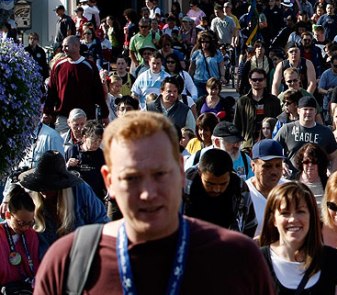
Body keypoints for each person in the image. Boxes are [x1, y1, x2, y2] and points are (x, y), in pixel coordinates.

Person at [33, 111, 273, 293]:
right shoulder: (67, 262)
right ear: (109, 181)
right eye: (132, 178)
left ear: (181, 172)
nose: (147, 192)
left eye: (160, 174)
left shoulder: (239, 258)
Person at [258, 181, 337, 294]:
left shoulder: (336, 262)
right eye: (285, 213)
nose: (293, 219)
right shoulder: (257, 262)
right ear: (273, 219)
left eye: (300, 212)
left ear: (312, 217)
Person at [16, 151, 108, 257]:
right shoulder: (31, 194)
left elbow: (102, 222)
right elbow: (15, 185)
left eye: (49, 186)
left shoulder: (80, 190)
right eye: (41, 186)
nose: (43, 191)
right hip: (48, 262)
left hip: (81, 256)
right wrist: (7, 199)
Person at [183, 147, 257, 237]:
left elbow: (250, 225)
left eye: (223, 184)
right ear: (200, 173)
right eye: (210, 183)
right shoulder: (184, 185)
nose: (216, 189)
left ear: (230, 175)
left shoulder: (239, 188)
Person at [43, 35, 107, 132]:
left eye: (66, 46)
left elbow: (98, 92)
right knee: (62, 145)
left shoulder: (90, 66)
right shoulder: (58, 65)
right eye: (63, 46)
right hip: (64, 117)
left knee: (85, 145)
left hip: (86, 117)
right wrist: (47, 112)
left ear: (76, 46)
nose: (63, 49)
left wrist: (104, 114)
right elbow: (52, 90)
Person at [275, 92, 337, 172]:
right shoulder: (287, 129)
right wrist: (281, 163)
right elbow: (272, 148)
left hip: (318, 180)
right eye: (305, 109)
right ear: (298, 110)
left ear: (315, 111)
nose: (308, 112)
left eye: (311, 109)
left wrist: (332, 176)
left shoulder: (325, 132)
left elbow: (334, 157)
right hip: (292, 179)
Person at [0, 185, 40, 293]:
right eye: (21, 223)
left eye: (29, 223)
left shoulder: (31, 235)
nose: (25, 227)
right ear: (8, 215)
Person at [247, 139, 289, 231]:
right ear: (253, 166)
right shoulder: (244, 193)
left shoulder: (290, 191)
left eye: (278, 165)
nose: (274, 171)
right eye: (267, 166)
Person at [236, 67, 282, 151]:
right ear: (250, 81)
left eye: (260, 79)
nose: (257, 82)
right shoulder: (242, 101)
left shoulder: (274, 101)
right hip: (248, 144)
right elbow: (237, 124)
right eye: (254, 79)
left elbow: (279, 123)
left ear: (265, 81)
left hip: (269, 142)